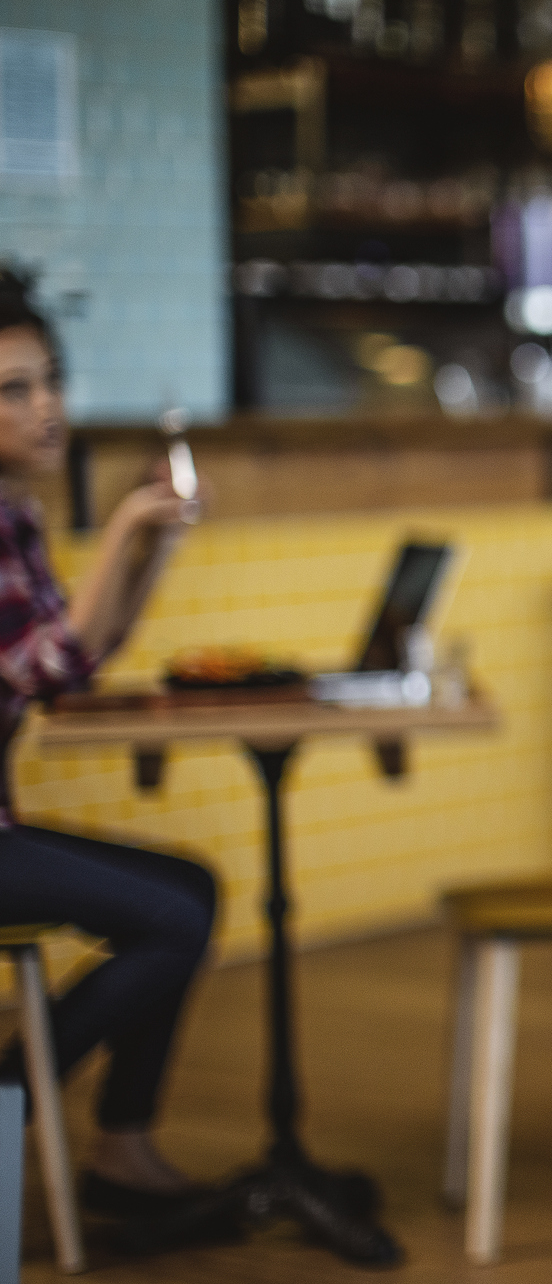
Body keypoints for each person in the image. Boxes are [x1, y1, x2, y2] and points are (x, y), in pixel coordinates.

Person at [0, 269, 217, 1217]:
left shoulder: (16, 513)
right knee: (176, 914)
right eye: (15, 389)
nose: (48, 407)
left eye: (51, 380)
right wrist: (125, 520)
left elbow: (78, 659)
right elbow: (48, 666)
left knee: (191, 893)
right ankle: (10, 1097)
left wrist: (154, 546)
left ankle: (122, 1147)